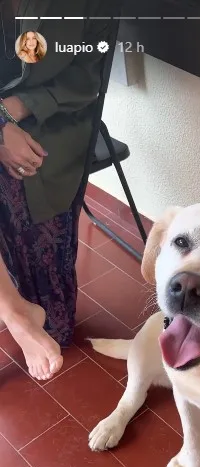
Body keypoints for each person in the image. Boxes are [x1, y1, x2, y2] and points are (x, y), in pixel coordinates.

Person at [0, 0, 115, 380]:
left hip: (52, 121)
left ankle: (23, 310)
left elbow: (84, 79)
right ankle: (15, 312)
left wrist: (14, 110)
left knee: (58, 328)